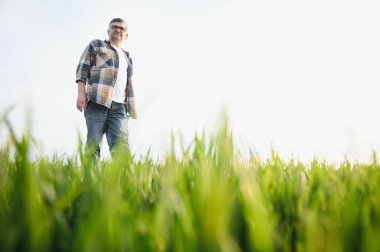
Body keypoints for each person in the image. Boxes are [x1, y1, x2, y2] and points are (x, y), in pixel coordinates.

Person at [75, 18, 137, 160]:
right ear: (108, 30)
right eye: (114, 27)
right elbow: (82, 68)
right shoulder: (97, 45)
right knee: (93, 143)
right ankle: (91, 179)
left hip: (120, 107)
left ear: (126, 35)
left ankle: (124, 179)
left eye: (122, 28)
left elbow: (128, 83)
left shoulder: (127, 58)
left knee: (121, 145)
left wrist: (131, 106)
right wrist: (81, 93)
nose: (117, 30)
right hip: (98, 101)